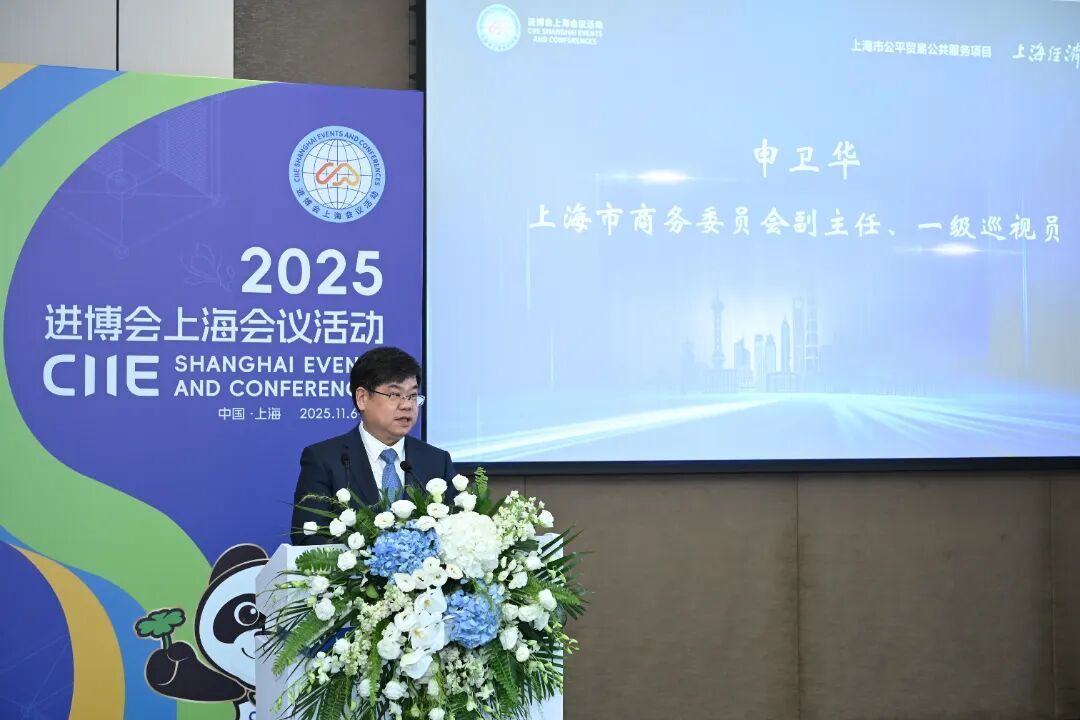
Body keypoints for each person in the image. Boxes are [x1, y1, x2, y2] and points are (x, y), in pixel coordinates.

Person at [290, 347, 456, 545]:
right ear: (362, 398)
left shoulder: (436, 461)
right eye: (394, 395)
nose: (407, 405)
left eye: (412, 396)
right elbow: (307, 537)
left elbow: (456, 531)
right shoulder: (325, 459)